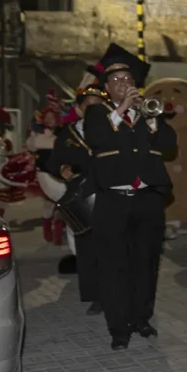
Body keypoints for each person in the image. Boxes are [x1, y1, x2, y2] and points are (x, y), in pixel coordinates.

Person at [83, 43, 175, 351]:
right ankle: (118, 327)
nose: (124, 84)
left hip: (147, 199)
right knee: (113, 266)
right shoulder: (97, 113)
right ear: (107, 88)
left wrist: (150, 119)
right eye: (117, 80)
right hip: (112, 201)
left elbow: (169, 144)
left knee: (146, 264)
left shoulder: (149, 112)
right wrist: (122, 109)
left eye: (128, 79)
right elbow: (97, 138)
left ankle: (141, 318)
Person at [50, 79, 107, 315]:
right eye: (89, 106)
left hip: (107, 194)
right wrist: (62, 169)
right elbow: (54, 161)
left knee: (110, 245)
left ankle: (114, 292)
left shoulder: (112, 129)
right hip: (80, 196)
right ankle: (95, 295)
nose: (93, 111)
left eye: (99, 106)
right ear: (79, 108)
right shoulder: (68, 133)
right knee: (86, 247)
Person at [27, 91, 64, 245]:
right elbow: (33, 146)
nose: (49, 120)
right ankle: (48, 228)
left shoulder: (64, 131)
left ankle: (58, 231)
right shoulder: (37, 132)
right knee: (51, 202)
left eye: (52, 117)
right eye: (47, 117)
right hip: (45, 172)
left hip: (62, 171)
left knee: (63, 203)